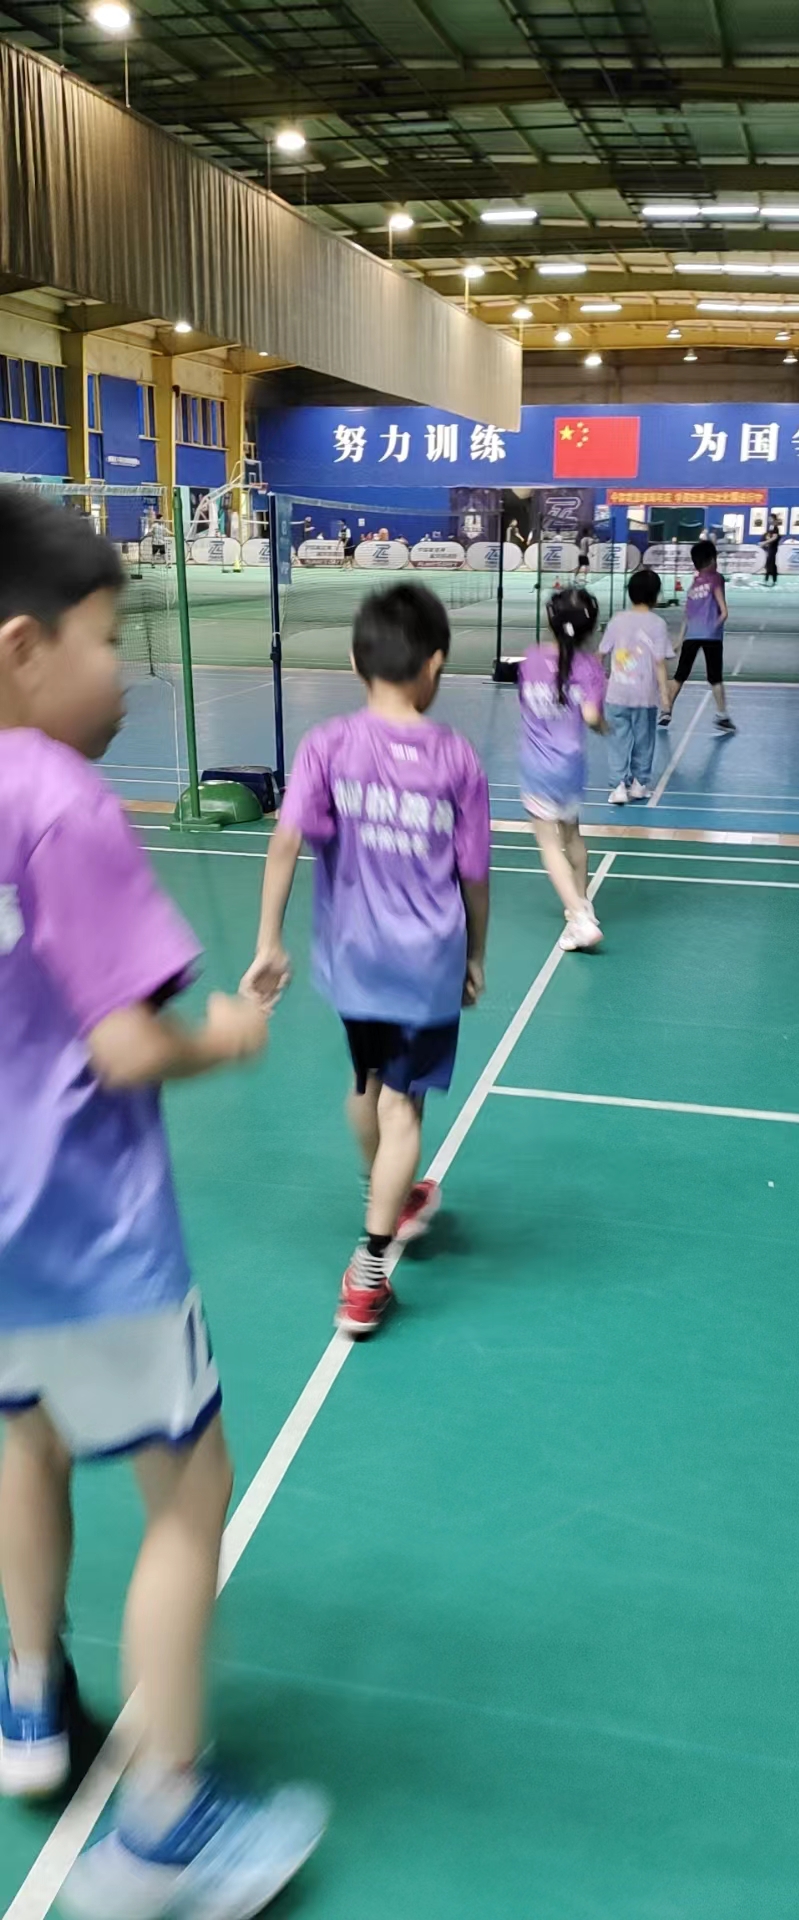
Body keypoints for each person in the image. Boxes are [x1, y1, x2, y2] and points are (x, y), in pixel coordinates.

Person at [0, 490, 327, 1918]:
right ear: (24, 650)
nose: (126, 671)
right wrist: (227, 1037)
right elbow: (128, 1046)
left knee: (25, 1440)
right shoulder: (63, 802)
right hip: (91, 1236)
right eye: (107, 639)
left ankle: (28, 1705)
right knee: (189, 1493)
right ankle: (160, 1829)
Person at [242, 583, 490, 1339]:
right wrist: (476, 953)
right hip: (426, 965)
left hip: (355, 962)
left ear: (355, 662)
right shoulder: (457, 758)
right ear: (435, 664)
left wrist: (268, 941)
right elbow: (474, 874)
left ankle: (380, 1189)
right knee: (402, 1107)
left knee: (367, 1081)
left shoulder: (326, 745)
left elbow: (285, 841)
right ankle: (369, 1273)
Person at [518, 585, 606, 953]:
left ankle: (579, 919)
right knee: (572, 835)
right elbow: (591, 717)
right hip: (571, 768)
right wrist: (604, 726)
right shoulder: (591, 667)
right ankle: (582, 904)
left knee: (548, 844)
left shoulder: (531, 659)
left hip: (538, 768)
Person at [599, 567, 671, 803]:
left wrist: (594, 683)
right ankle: (639, 784)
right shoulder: (658, 624)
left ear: (630, 593)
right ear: (656, 595)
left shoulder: (617, 620)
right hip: (645, 696)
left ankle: (619, 786)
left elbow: (600, 653)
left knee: (617, 740)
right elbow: (660, 663)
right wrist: (665, 696)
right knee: (644, 740)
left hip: (617, 693)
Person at [665, 538, 736, 735]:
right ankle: (722, 716)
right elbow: (724, 611)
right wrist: (716, 624)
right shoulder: (716, 578)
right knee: (715, 678)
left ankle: (666, 711)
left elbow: (687, 616)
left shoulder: (693, 586)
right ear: (712, 559)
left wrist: (680, 640)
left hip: (691, 636)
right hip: (712, 636)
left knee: (680, 675)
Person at [762, 517, 781, 587]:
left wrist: (764, 542)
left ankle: (772, 580)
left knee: (771, 564)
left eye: (771, 519)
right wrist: (767, 540)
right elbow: (769, 537)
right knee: (769, 564)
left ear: (774, 520)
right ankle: (768, 580)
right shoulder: (771, 528)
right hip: (770, 547)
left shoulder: (775, 528)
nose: (769, 520)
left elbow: (774, 538)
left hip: (773, 548)